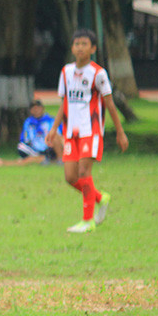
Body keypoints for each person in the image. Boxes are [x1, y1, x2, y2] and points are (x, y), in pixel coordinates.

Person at [46, 29, 129, 233]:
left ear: (93, 48)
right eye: (77, 44)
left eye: (85, 44)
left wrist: (120, 132)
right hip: (70, 132)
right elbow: (64, 103)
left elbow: (109, 103)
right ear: (72, 48)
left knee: (84, 172)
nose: (80, 47)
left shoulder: (98, 74)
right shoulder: (65, 72)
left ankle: (87, 221)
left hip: (90, 131)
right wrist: (54, 128)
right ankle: (101, 198)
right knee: (70, 177)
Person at [17, 99, 63, 165]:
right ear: (30, 111)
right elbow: (25, 138)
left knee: (56, 138)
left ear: (42, 109)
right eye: (33, 108)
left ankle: (59, 159)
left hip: (49, 146)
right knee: (21, 147)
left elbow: (59, 134)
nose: (36, 110)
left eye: (38, 108)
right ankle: (40, 158)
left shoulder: (50, 120)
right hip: (35, 148)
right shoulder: (28, 122)